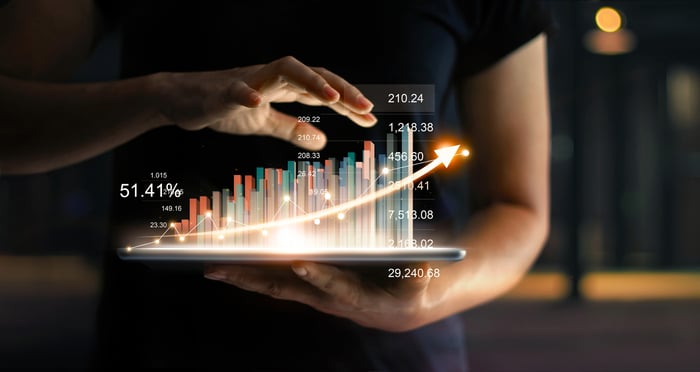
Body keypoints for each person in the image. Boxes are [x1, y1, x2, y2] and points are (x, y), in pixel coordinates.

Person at [0, 0, 553, 370]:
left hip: (390, 354)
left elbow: (518, 207)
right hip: (166, 343)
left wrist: (430, 293)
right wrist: (163, 97)